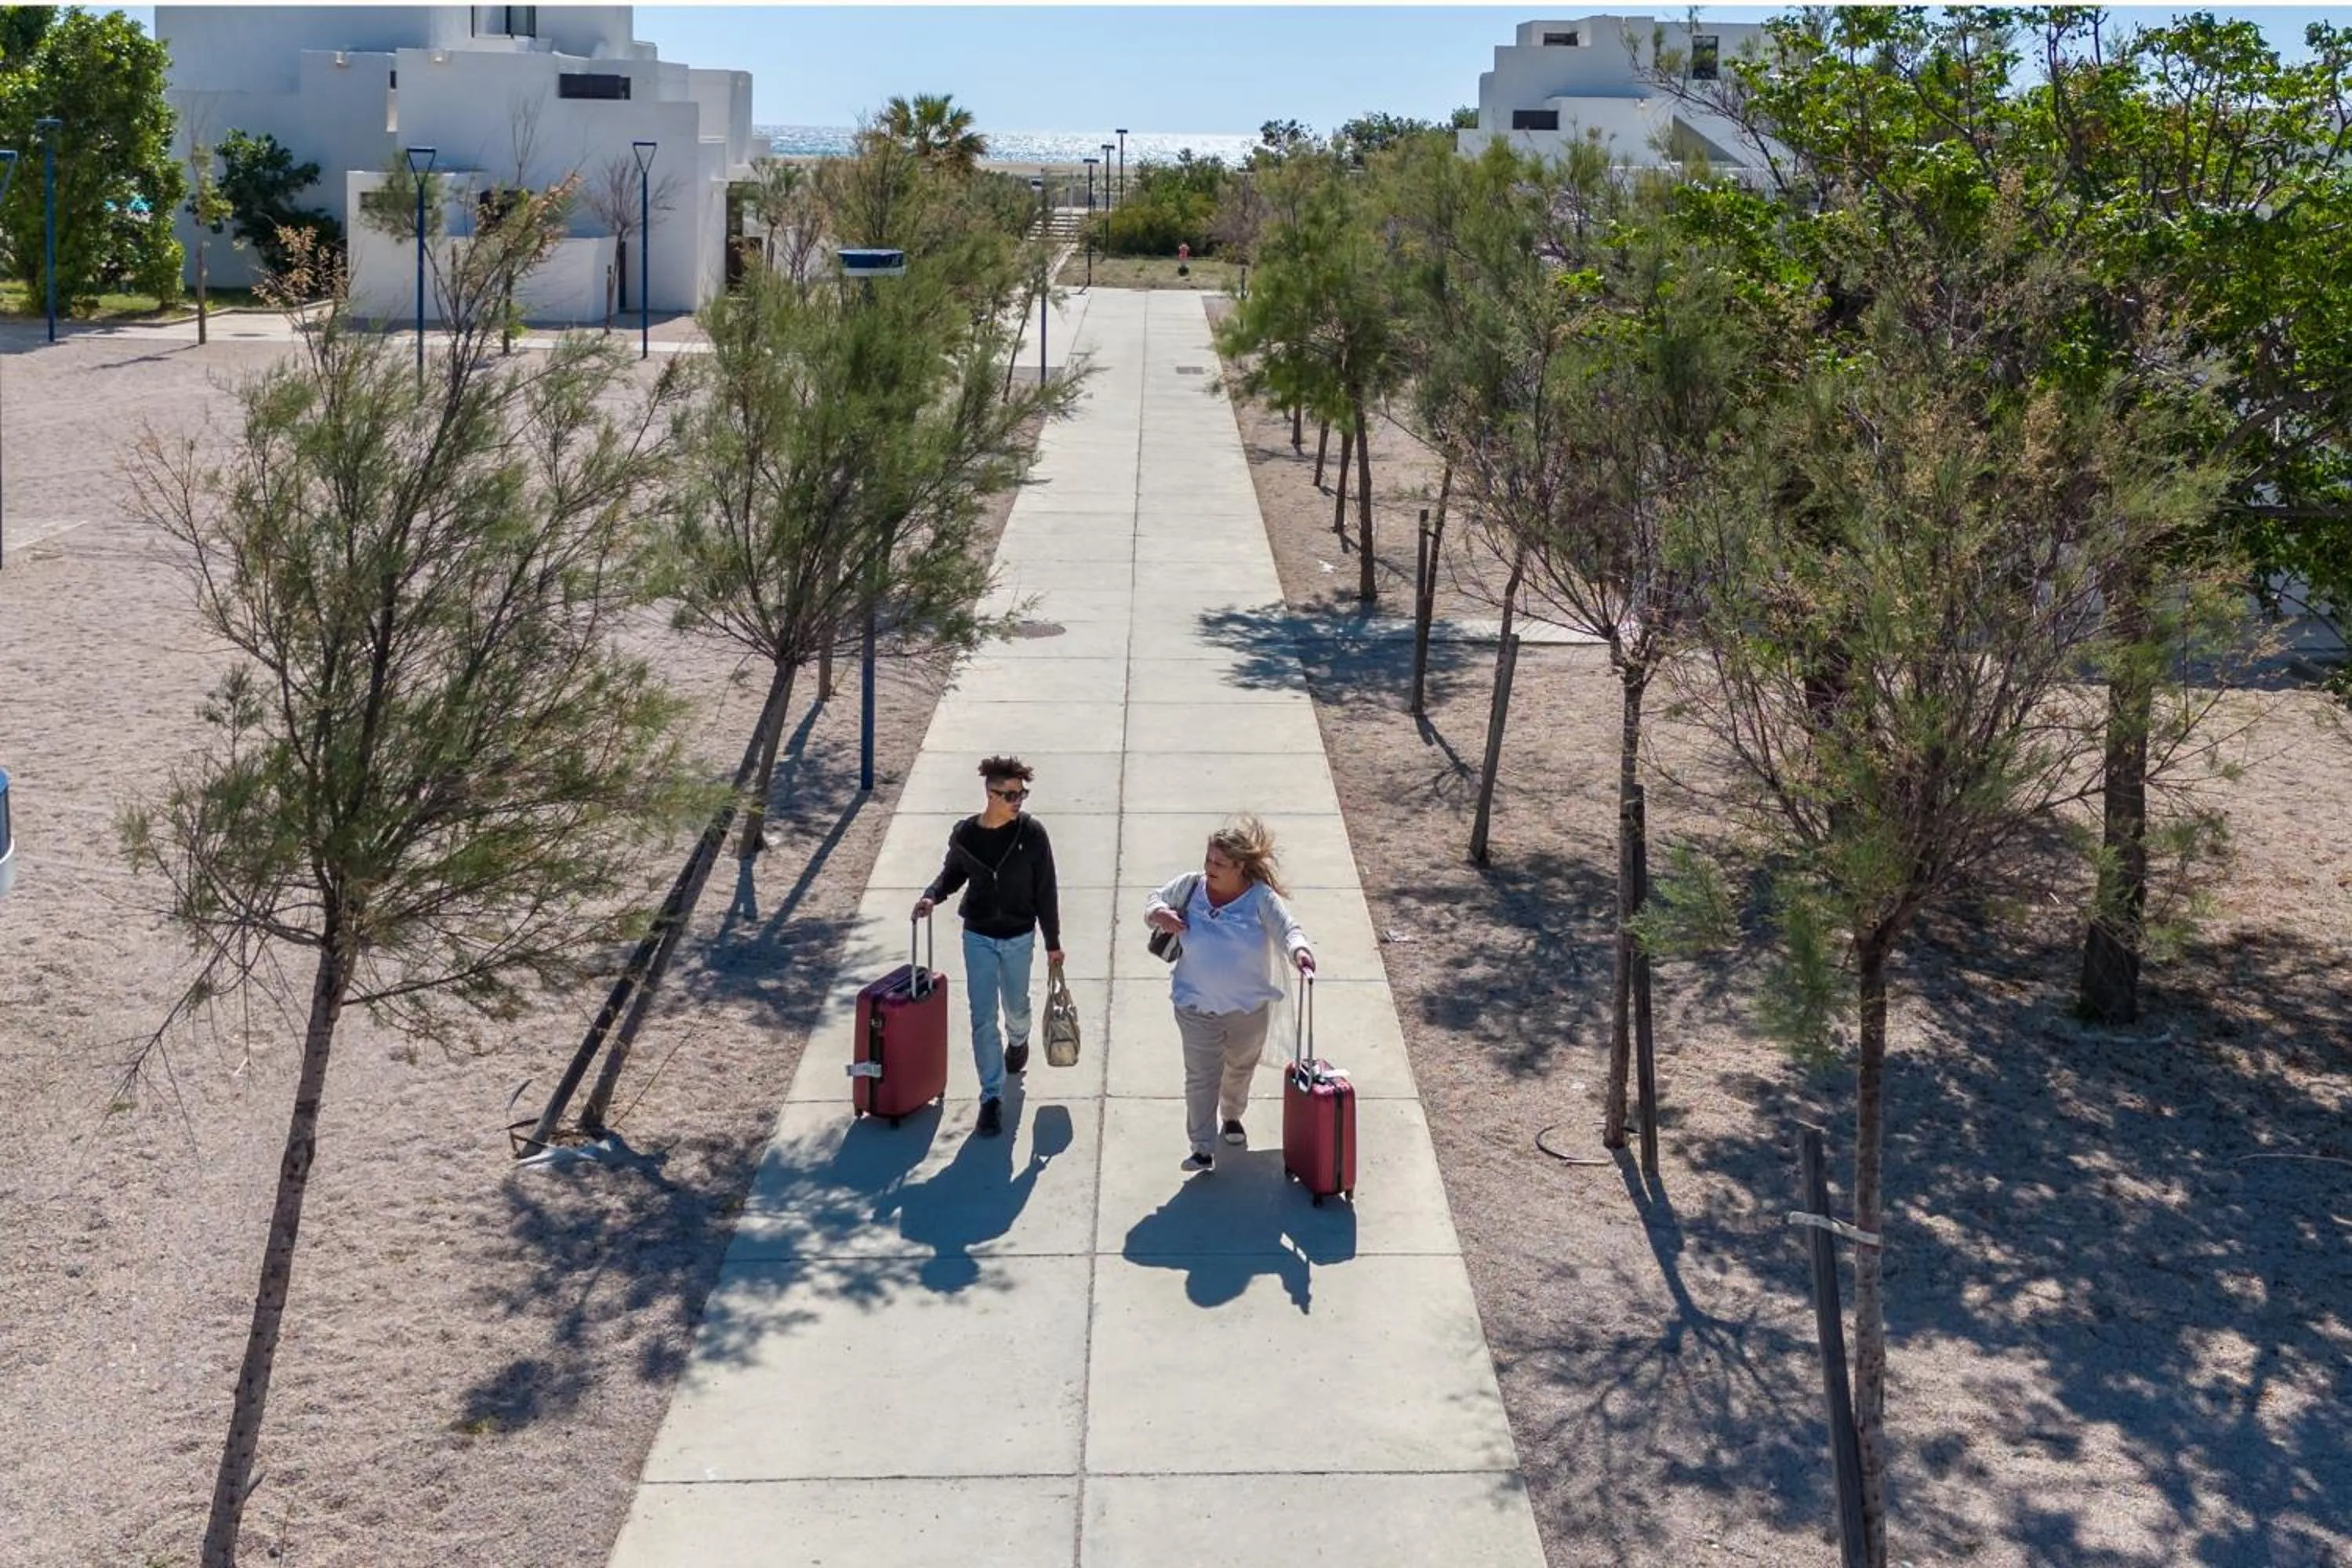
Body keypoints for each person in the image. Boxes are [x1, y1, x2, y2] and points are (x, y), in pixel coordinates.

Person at [1142, 815, 1315, 1173]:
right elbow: (1153, 901)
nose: (1210, 868)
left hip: (1247, 1011)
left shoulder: (1259, 898)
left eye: (1220, 863)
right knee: (1201, 1076)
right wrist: (1160, 913)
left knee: (1238, 1069)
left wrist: (1300, 951)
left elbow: (1288, 930)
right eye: (1208, 859)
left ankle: (1232, 1115)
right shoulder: (1190, 886)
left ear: (1241, 867)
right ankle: (1201, 1146)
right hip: (1194, 1005)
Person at [913, 757, 1063, 1138]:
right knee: (982, 1016)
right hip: (978, 934)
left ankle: (1019, 1040)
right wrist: (932, 897)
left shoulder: (1032, 834)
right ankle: (991, 1097)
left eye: (1022, 794)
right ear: (990, 794)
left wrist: (1053, 943)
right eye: (1010, 794)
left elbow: (1046, 890)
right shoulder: (966, 835)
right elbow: (952, 873)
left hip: (1018, 935)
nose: (1018, 801)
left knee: (1016, 1008)